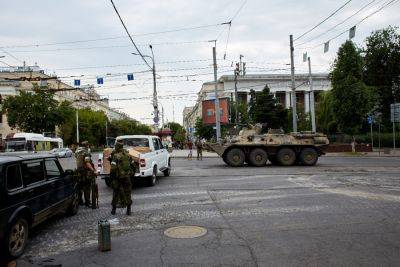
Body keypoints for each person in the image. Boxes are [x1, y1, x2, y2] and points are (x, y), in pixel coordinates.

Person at [109, 141, 134, 215]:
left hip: (117, 178)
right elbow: (133, 165)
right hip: (126, 177)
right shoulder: (128, 155)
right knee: (128, 193)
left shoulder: (115, 156)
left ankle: (113, 210)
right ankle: (128, 210)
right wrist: (131, 175)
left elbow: (113, 169)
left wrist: (111, 178)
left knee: (115, 193)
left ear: (117, 147)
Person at [75, 141, 98, 209]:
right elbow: (87, 162)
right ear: (87, 146)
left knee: (80, 187)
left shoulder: (77, 151)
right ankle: (87, 202)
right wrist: (93, 170)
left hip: (79, 171)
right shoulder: (86, 152)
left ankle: (80, 201)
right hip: (85, 172)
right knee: (87, 187)